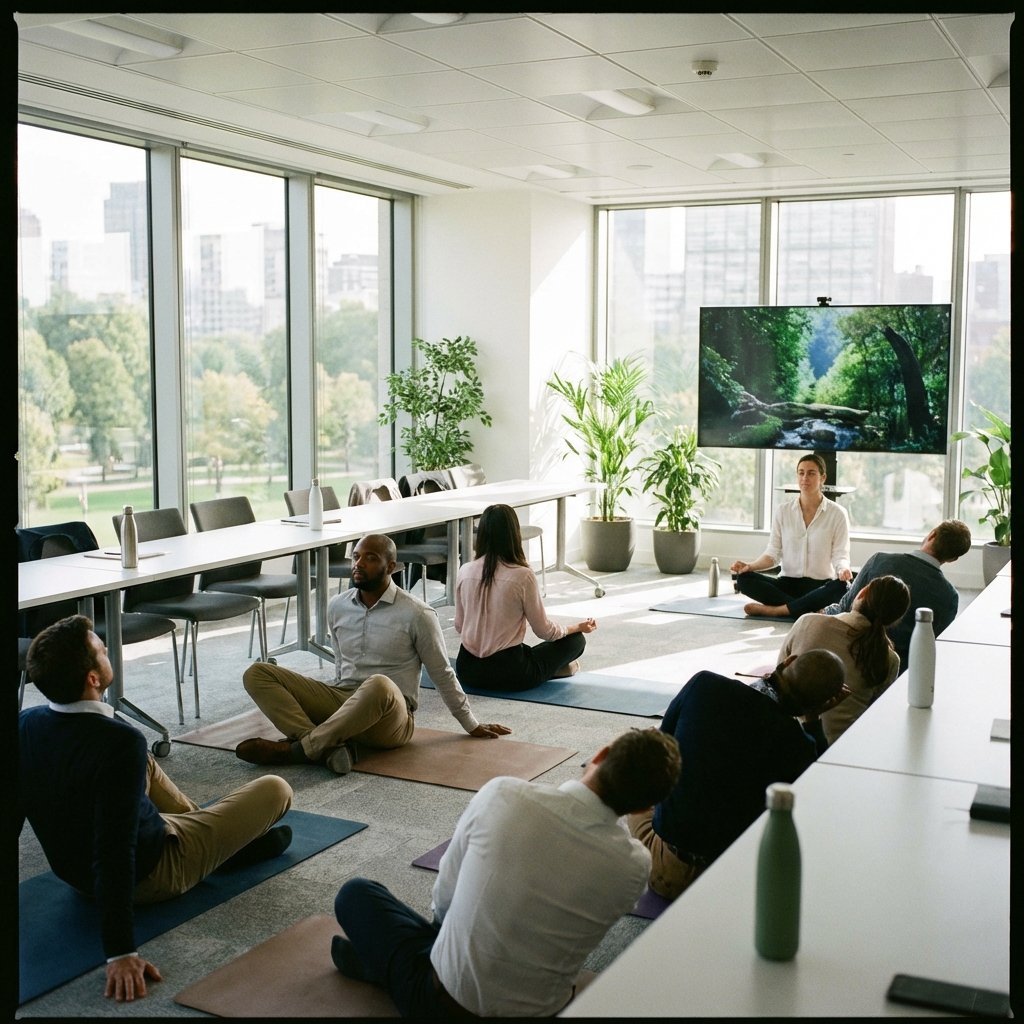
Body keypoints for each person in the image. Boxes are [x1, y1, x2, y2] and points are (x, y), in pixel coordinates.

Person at [17, 615, 294, 1003]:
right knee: (276, 789)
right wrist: (120, 952)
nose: (107, 648)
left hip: (74, 875)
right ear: (92, 679)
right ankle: (221, 852)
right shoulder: (118, 742)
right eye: (100, 648)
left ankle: (213, 838)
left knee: (143, 761)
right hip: (152, 874)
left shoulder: (24, 725)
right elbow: (115, 851)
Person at [331, 727, 682, 1017]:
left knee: (357, 894)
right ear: (643, 808)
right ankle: (391, 967)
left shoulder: (504, 793)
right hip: (542, 1012)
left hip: (444, 1003)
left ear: (600, 755)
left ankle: (385, 971)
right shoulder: (636, 866)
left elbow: (445, 898)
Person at [235, 533, 511, 774]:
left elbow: (441, 672)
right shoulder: (337, 606)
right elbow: (342, 665)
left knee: (378, 683)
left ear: (390, 566)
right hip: (344, 699)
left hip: (392, 716)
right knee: (257, 673)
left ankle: (297, 751)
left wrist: (470, 723)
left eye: (369, 558)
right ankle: (324, 747)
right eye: (356, 557)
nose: (358, 564)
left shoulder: (417, 613)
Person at [628, 649, 848, 901]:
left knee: (638, 755)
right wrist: (813, 718)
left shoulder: (705, 685)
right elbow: (817, 794)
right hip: (742, 877)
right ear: (823, 704)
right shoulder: (800, 747)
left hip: (675, 871)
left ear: (788, 661)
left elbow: (660, 749)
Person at [453, 503, 597, 691]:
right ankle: (556, 670)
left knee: (527, 652)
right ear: (514, 534)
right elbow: (545, 632)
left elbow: (459, 626)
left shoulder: (465, 571)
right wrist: (577, 627)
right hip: (510, 673)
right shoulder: (522, 575)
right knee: (576, 641)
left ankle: (550, 670)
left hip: (467, 671)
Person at [820, 518, 972, 671]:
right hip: (898, 674)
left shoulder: (879, 560)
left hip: (848, 656)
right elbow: (931, 647)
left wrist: (821, 614)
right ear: (953, 559)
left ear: (932, 535)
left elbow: (846, 607)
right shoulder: (949, 596)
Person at [778, 575, 910, 745]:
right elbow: (875, 715)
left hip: (792, 736)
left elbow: (779, 677)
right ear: (895, 618)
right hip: (844, 747)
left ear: (862, 592)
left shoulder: (808, 622)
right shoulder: (889, 659)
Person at [730, 452, 853, 618]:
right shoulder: (783, 511)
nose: (805, 478)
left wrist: (843, 569)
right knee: (744, 580)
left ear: (823, 478)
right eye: (801, 473)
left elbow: (840, 555)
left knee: (842, 586)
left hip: (820, 586)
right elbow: (773, 554)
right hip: (787, 583)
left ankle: (778, 610)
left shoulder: (838, 513)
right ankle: (804, 609)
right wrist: (749, 567)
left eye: (811, 473)